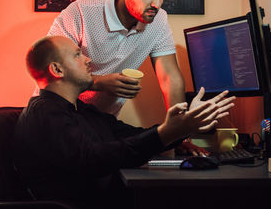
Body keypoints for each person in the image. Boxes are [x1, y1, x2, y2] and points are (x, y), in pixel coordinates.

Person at [13, 36, 236, 208]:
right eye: (77, 54)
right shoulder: (45, 114)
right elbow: (94, 159)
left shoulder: (79, 110)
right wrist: (168, 133)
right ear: (57, 69)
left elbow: (127, 134)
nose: (88, 59)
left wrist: (179, 130)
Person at [47, 0, 206, 155]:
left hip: (102, 127)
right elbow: (48, 71)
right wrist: (98, 83)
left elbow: (170, 78)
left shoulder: (158, 20)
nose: (156, 4)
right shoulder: (80, 13)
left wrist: (176, 134)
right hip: (59, 121)